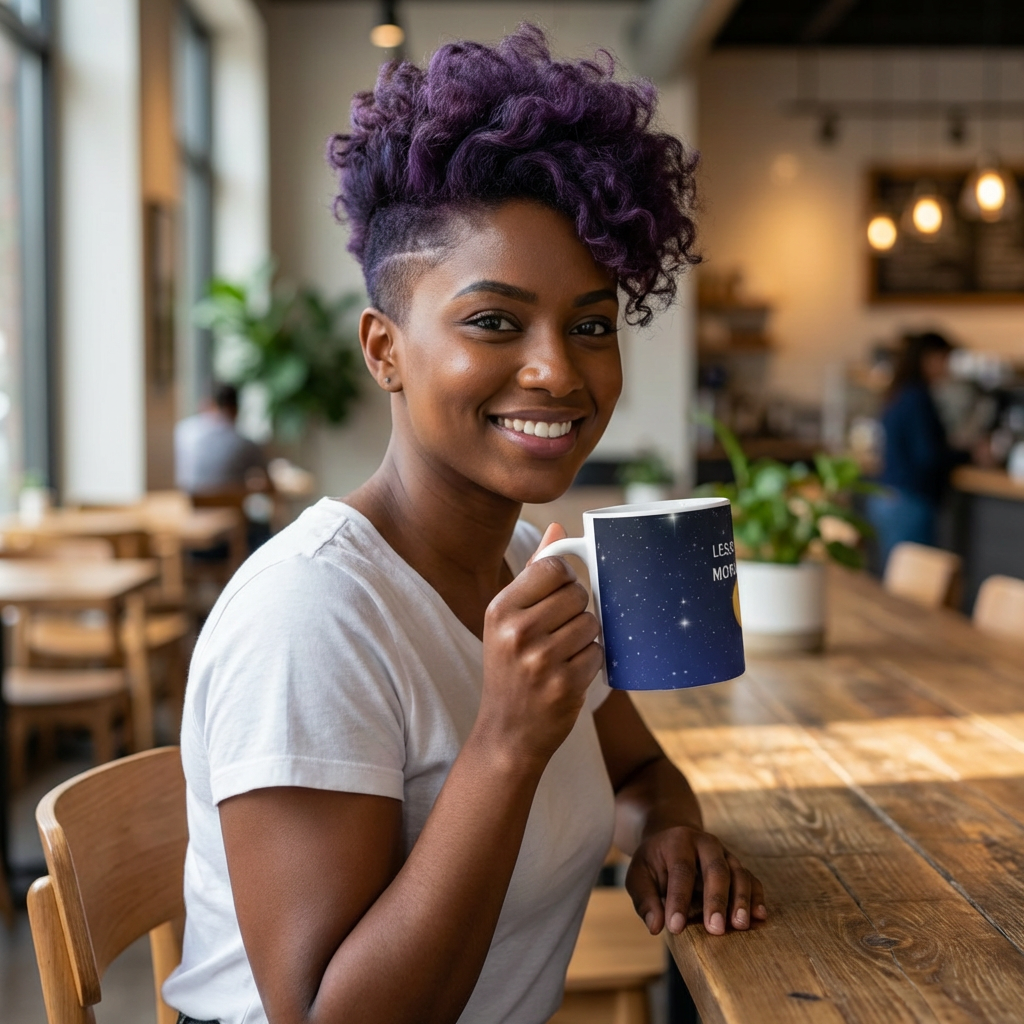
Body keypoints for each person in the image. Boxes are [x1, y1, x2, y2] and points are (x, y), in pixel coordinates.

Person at [163, 27, 766, 1024]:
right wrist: (504, 743)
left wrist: (663, 828)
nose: (558, 371)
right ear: (384, 349)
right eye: (494, 321)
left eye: (590, 323)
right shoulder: (312, 619)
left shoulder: (533, 567)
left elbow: (644, 771)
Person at [868, 331, 968, 570]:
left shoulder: (899, 392)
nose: (948, 367)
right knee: (909, 583)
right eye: (945, 359)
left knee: (897, 577)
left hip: (888, 495)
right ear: (930, 358)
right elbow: (927, 455)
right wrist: (969, 455)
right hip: (909, 499)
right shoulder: (917, 398)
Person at [174, 383, 268, 496]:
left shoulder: (184, 431)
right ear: (236, 410)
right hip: (232, 509)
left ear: (208, 404)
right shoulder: (246, 444)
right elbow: (267, 481)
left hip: (192, 505)